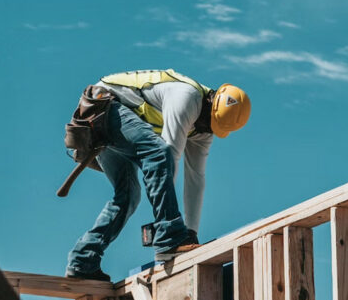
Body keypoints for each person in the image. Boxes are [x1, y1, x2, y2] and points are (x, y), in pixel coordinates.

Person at [65, 69, 250, 281]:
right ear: (210, 102)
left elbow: (195, 179)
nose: (204, 129)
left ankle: (83, 260)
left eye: (211, 127)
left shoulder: (204, 129)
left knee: (128, 196)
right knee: (158, 152)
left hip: (115, 121)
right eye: (207, 122)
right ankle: (169, 236)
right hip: (103, 107)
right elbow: (168, 156)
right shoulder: (186, 97)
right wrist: (170, 232)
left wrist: (191, 233)